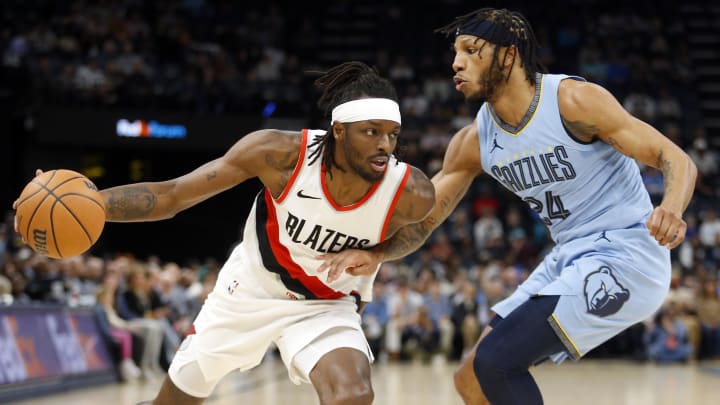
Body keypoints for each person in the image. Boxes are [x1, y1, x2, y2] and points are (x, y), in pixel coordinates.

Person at [317, 8, 697, 405]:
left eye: (470, 50)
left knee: (497, 363)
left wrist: (671, 206)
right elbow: (426, 220)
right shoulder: (474, 141)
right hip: (569, 255)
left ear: (509, 55)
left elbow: (674, 158)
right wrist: (376, 252)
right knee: (472, 378)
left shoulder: (572, 101)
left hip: (626, 254)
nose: (456, 62)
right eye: (455, 52)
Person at [14, 62, 435, 405]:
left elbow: (419, 231)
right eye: (372, 132)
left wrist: (380, 254)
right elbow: (174, 195)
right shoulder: (279, 154)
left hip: (326, 304)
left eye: (392, 135)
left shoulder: (409, 191)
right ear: (339, 131)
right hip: (249, 290)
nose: (385, 145)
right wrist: (94, 205)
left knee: (353, 394)